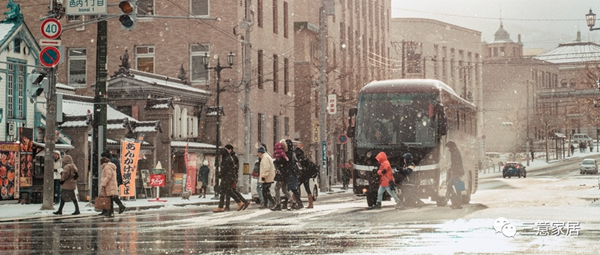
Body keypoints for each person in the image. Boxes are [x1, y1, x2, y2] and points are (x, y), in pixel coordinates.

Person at [213, 148, 249, 213]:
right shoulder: (229, 158)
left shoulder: (226, 160)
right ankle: (221, 206)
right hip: (229, 178)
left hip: (227, 178)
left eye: (221, 154)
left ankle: (239, 202)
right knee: (224, 191)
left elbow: (224, 170)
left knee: (229, 191)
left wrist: (219, 174)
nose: (220, 156)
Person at [100, 150, 126, 215]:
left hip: (111, 182)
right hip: (114, 180)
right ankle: (110, 211)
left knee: (111, 196)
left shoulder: (108, 164)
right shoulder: (114, 161)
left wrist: (104, 183)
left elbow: (109, 175)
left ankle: (117, 207)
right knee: (111, 196)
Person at [223, 144, 247, 211]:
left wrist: (232, 176)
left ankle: (229, 206)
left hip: (231, 176)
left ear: (230, 150)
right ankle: (244, 202)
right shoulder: (232, 156)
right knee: (232, 191)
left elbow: (233, 168)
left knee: (229, 190)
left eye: (226, 150)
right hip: (232, 176)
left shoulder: (232, 157)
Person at [271, 141, 292, 211]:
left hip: (282, 175)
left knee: (277, 188)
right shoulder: (287, 154)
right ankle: (293, 202)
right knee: (284, 189)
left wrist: (277, 162)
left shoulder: (282, 156)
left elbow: (281, 163)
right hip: (285, 175)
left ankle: (278, 204)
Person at [284, 139, 303, 210]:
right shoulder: (292, 153)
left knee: (288, 189)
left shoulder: (289, 153)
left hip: (290, 173)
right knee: (290, 189)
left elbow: (289, 164)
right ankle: (298, 203)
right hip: (292, 173)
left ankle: (297, 203)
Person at [446, 141, 464, 209]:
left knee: (452, 186)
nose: (448, 149)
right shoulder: (455, 152)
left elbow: (456, 164)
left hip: (456, 173)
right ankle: (457, 202)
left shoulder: (455, 153)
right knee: (457, 187)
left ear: (451, 147)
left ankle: (457, 202)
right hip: (456, 172)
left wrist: (455, 172)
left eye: (448, 147)